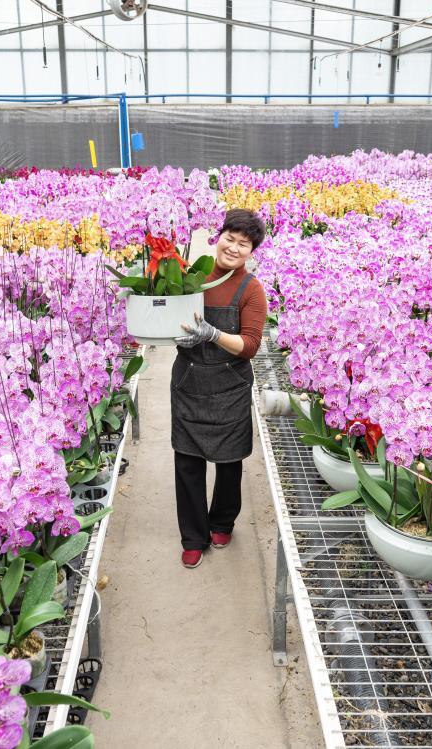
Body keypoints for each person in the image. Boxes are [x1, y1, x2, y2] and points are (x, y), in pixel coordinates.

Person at [171, 208, 268, 569]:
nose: (233, 247)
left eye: (243, 244)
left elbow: (250, 346)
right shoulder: (192, 276)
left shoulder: (251, 290)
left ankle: (222, 522)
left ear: (251, 252)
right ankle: (193, 537)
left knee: (229, 463)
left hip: (229, 387)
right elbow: (168, 314)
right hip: (189, 381)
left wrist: (212, 334)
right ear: (219, 236)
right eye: (230, 237)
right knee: (188, 462)